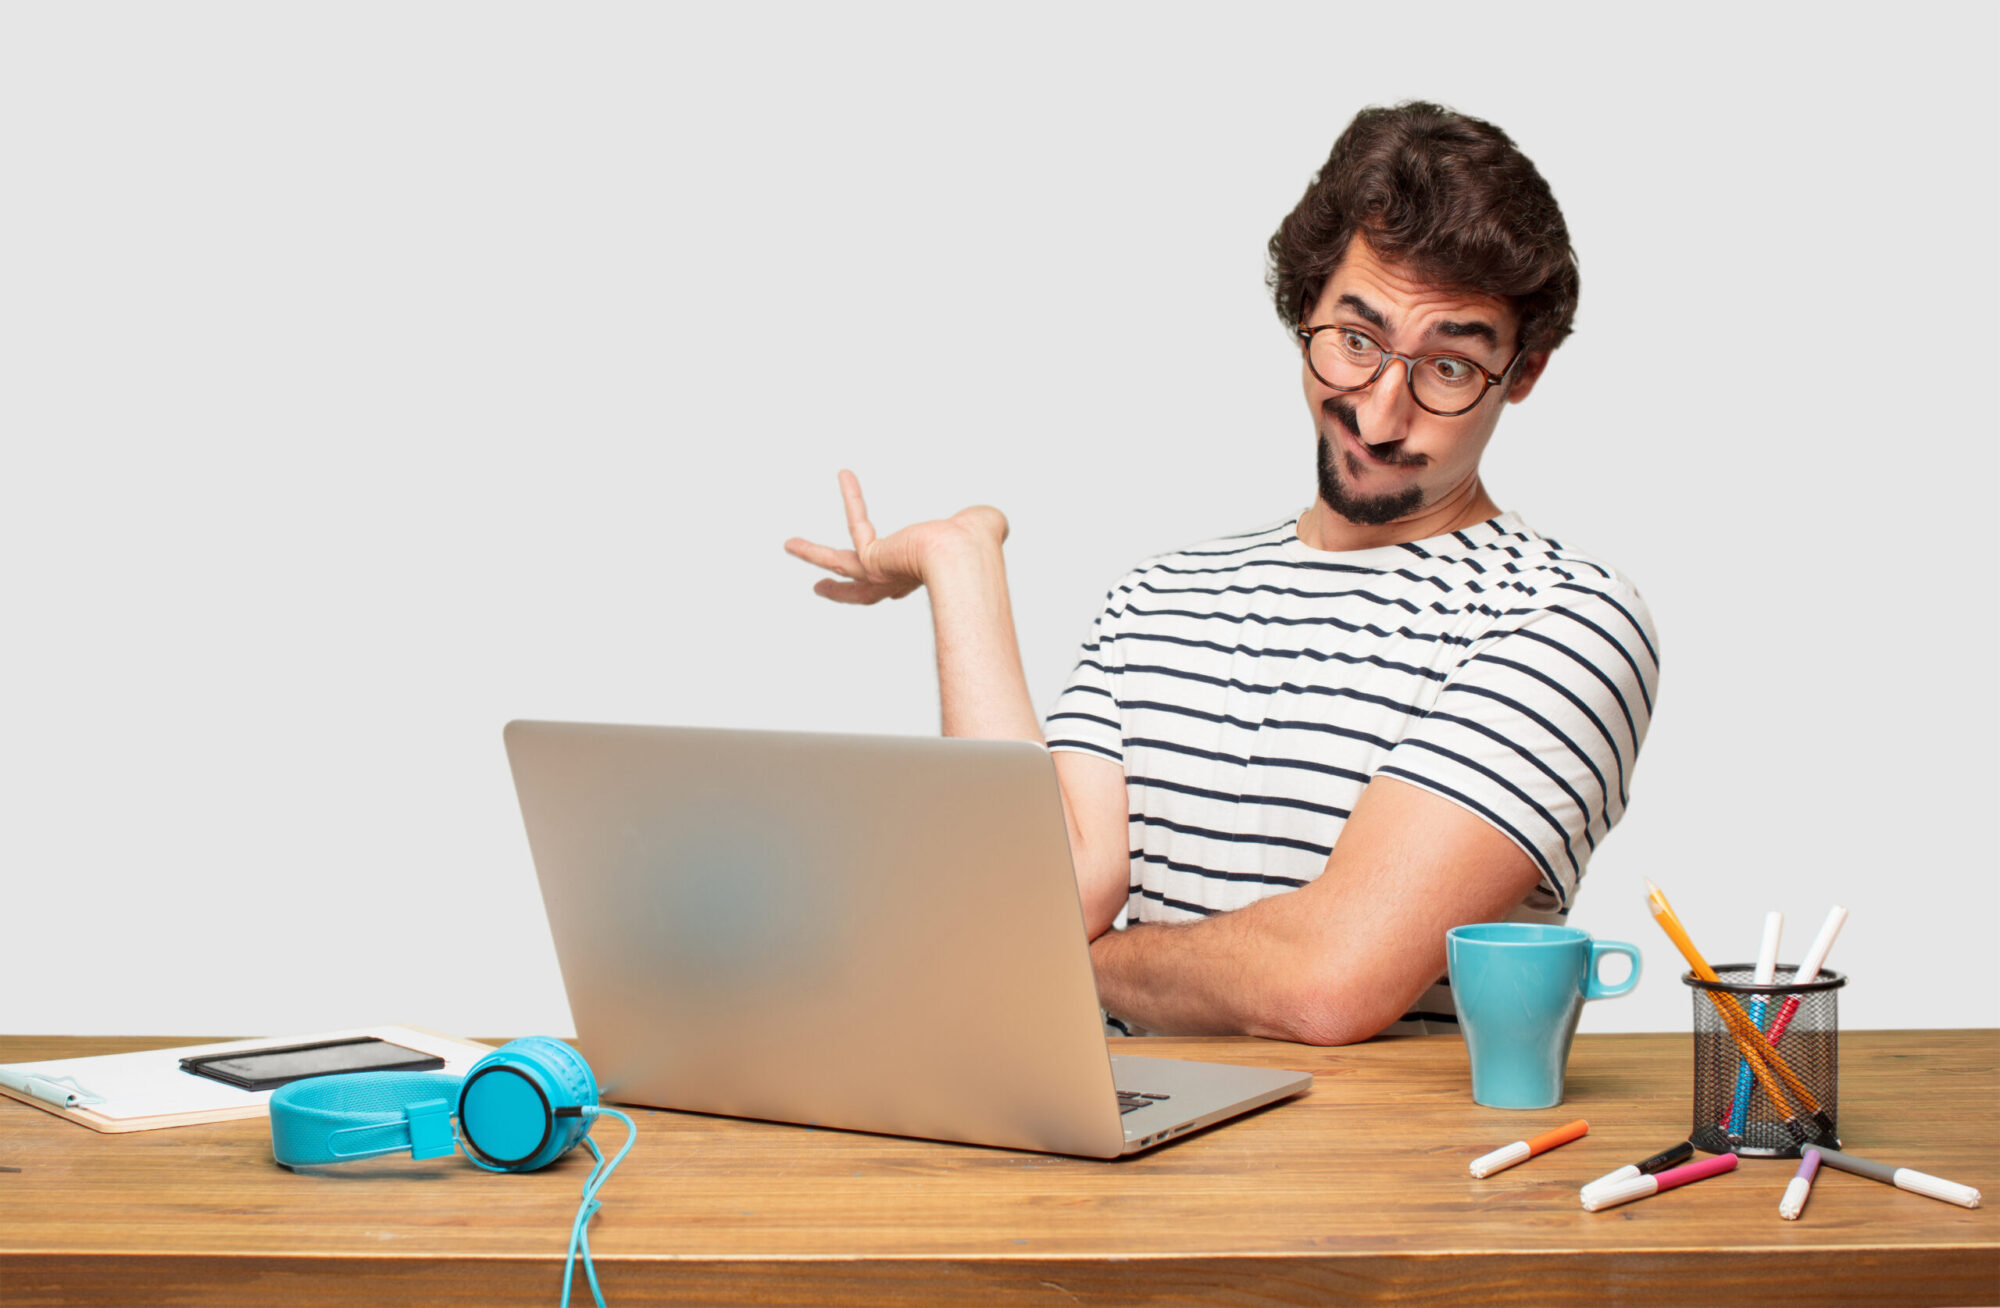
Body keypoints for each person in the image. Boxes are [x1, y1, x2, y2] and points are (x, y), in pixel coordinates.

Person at [784, 102, 1658, 1045]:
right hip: (1117, 1165)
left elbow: (1329, 981)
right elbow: (1029, 899)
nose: (1380, 411)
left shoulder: (1561, 619)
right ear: (1302, 314)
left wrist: (1057, 966)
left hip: (1379, 1187)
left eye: (1448, 366)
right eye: (1355, 342)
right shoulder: (1155, 598)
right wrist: (961, 569)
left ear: (1522, 372)